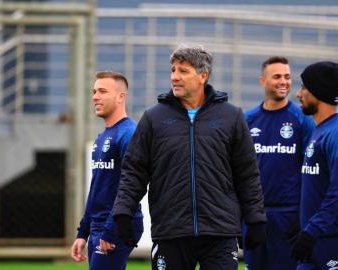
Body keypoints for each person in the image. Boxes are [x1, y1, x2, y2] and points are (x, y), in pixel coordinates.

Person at [112, 44, 267, 270]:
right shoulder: (153, 118)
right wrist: (123, 210)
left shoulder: (231, 117)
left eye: (183, 71)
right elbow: (134, 170)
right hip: (171, 231)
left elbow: (247, 173)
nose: (175, 77)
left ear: (203, 75)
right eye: (173, 70)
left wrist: (255, 218)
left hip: (219, 232)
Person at [243, 56, 315, 270]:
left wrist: (302, 217)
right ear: (262, 81)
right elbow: (238, 172)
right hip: (256, 217)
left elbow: (311, 172)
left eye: (287, 77)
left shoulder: (302, 120)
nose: (283, 81)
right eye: (277, 77)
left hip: (289, 218)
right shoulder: (248, 120)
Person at [71, 71, 143, 270]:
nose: (95, 96)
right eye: (94, 91)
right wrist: (83, 232)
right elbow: (96, 188)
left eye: (102, 91)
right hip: (98, 225)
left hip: (115, 226)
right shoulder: (102, 137)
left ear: (121, 97)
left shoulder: (129, 133)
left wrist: (112, 229)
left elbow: (131, 187)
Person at [292, 61, 338, 269]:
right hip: (313, 240)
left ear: (318, 92)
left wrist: (311, 231)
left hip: (334, 242)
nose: (299, 94)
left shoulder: (337, 133)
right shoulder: (320, 130)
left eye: (304, 88)